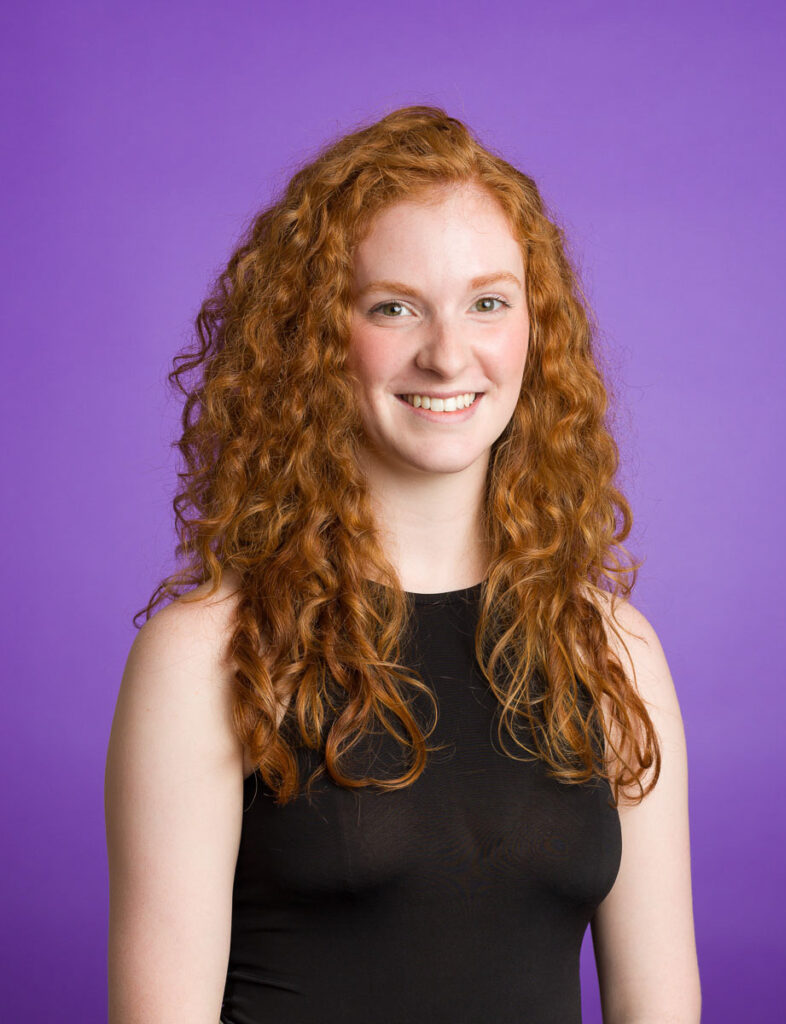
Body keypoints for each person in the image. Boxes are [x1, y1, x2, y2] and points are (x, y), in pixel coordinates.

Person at [104, 105, 701, 1023]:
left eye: (487, 303)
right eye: (393, 307)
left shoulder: (612, 650)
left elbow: (658, 1006)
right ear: (314, 338)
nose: (447, 353)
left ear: (535, 333)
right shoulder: (209, 658)